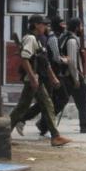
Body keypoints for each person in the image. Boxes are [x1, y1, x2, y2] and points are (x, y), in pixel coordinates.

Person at [8, 15, 71, 147]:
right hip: (33, 79)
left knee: (39, 105)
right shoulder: (30, 38)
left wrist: (52, 77)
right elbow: (25, 59)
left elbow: (44, 61)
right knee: (34, 106)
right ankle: (55, 136)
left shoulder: (39, 39)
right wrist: (32, 78)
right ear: (36, 25)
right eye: (44, 24)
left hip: (37, 79)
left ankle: (55, 136)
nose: (46, 27)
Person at [48, 17, 86, 134]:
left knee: (61, 101)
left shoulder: (65, 37)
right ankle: (85, 125)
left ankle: (43, 124)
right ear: (76, 27)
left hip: (68, 76)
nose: (82, 29)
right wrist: (76, 79)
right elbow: (72, 62)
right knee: (83, 102)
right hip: (72, 76)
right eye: (81, 26)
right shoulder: (71, 40)